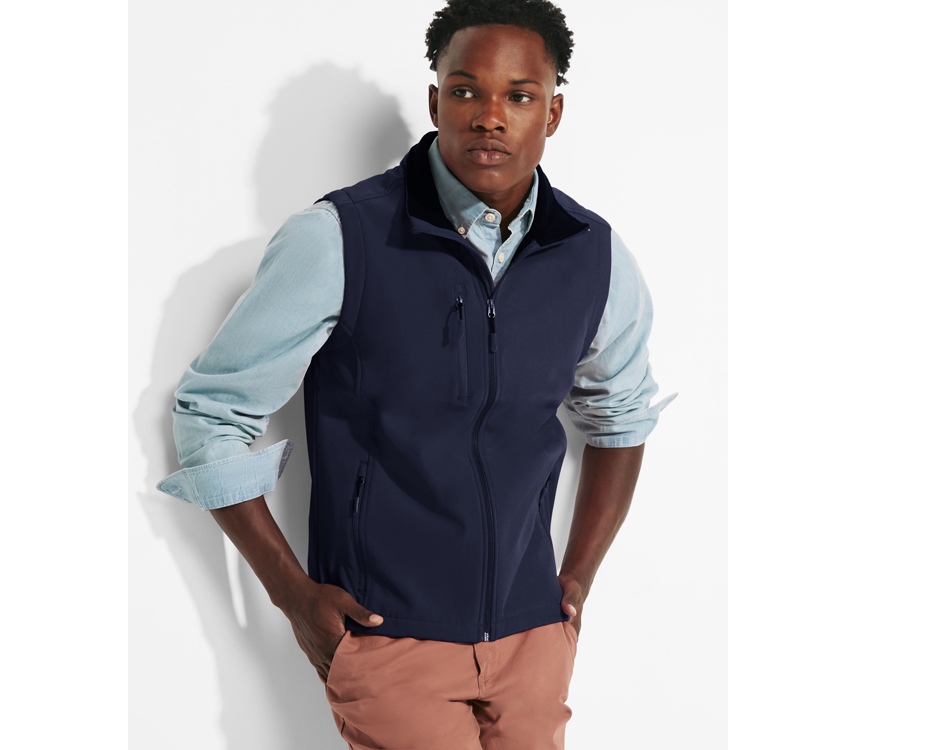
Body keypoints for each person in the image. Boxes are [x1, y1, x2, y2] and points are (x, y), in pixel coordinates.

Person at [157, 1, 673, 747]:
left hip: (533, 639)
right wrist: (291, 594)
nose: (489, 116)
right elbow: (212, 412)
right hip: (389, 636)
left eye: (519, 96)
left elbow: (623, 416)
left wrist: (578, 580)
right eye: (466, 91)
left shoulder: (594, 255)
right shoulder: (341, 238)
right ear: (435, 102)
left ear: (552, 113)